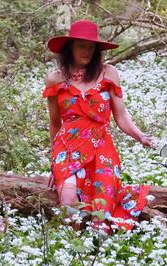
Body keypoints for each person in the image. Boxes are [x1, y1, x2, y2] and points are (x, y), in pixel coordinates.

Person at [42, 19, 153, 237]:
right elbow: (55, 123)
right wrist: (54, 161)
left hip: (101, 145)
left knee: (101, 210)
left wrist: (141, 137)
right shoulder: (54, 79)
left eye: (92, 47)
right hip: (67, 147)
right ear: (70, 46)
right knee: (68, 201)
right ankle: (71, 249)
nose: (87, 51)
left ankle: (97, 251)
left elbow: (121, 116)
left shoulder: (108, 73)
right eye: (82, 46)